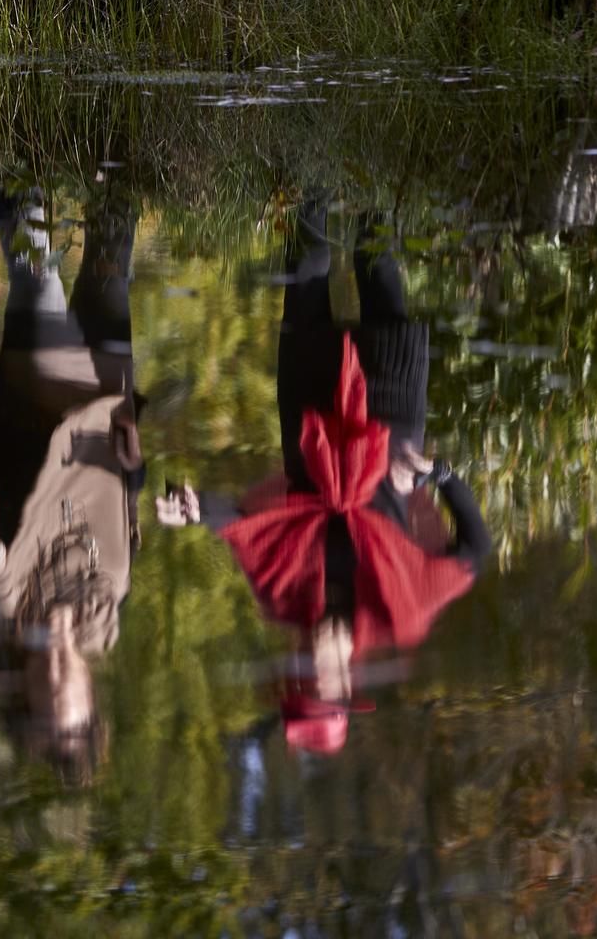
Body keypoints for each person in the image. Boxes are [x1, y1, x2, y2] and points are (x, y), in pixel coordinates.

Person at [156, 203, 490, 754]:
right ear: (344, 685)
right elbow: (475, 553)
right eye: (318, 685)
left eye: (297, 682)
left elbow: (246, 527)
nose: (305, 670)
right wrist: (441, 476)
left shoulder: (281, 599)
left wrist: (197, 510)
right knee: (376, 255)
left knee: (307, 267)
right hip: (389, 411)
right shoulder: (398, 613)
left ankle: (306, 171)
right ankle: (374, 165)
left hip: (308, 415)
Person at [0, 184, 143, 780]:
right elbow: (124, 521)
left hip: (35, 397)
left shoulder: (14, 616)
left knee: (36, 270)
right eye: (74, 687)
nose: (61, 671)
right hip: (104, 403)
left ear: (26, 691)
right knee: (113, 247)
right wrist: (136, 466)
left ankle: (16, 150)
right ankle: (114, 145)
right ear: (92, 691)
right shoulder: (104, 619)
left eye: (48, 687)